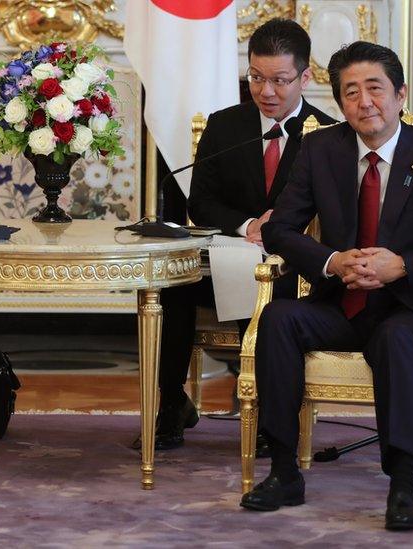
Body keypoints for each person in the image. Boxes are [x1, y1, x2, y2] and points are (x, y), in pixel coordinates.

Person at [239, 41, 413, 531]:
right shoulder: (320, 150)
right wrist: (333, 261)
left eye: (375, 89)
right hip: (342, 302)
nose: (365, 103)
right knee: (278, 318)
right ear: (340, 102)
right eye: (351, 92)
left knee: (395, 337)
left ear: (401, 94)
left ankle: (403, 484)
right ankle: (284, 471)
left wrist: (403, 265)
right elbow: (280, 229)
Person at [154, 18, 335, 450]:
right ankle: (171, 404)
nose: (265, 92)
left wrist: (284, 225)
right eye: (255, 77)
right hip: (228, 255)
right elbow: (202, 202)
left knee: (268, 294)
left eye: (279, 80)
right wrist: (248, 225)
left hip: (293, 271)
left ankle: (273, 416)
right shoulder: (226, 125)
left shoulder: (327, 135)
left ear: (305, 77)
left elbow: (337, 212)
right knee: (172, 285)